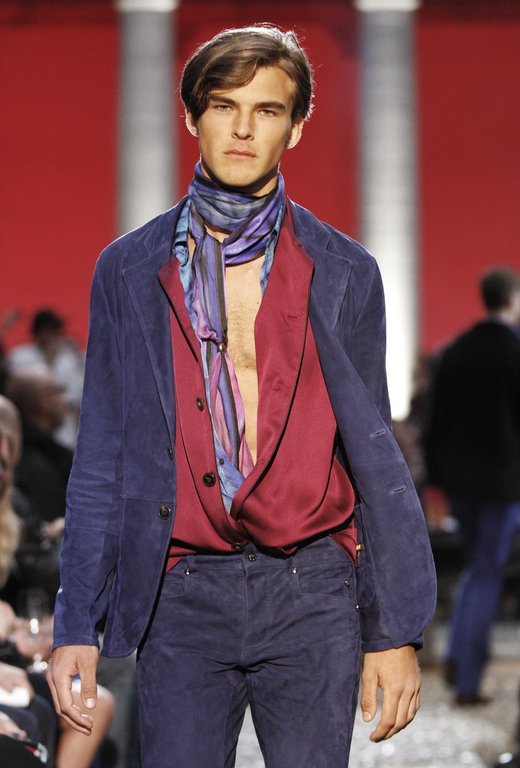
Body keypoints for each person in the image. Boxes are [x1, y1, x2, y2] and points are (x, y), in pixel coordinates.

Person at [49, 25, 436, 768]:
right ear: (193, 116)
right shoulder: (128, 269)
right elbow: (102, 454)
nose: (243, 128)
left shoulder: (345, 271)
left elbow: (373, 455)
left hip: (312, 587)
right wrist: (75, 623)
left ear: (297, 127)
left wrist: (395, 629)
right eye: (224, 106)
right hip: (182, 590)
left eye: (267, 109)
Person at [425, 266, 520, 705]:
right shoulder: (514, 351)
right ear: (511, 300)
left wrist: (435, 481)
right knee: (486, 572)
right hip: (502, 483)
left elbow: (435, 422)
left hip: (460, 484)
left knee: (477, 567)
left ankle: (458, 658)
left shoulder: (455, 352)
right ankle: (466, 678)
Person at [7, 309, 84, 449]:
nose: (52, 335)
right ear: (39, 332)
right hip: (29, 430)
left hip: (64, 434)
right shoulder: (20, 357)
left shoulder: (67, 359)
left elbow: (76, 399)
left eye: (55, 330)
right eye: (48, 330)